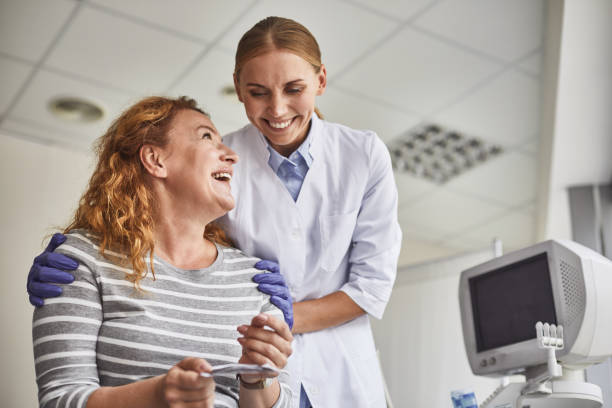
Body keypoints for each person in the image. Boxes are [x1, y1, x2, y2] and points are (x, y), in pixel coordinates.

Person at [28, 16, 402, 407]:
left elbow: (371, 288)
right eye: (258, 92)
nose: (277, 108)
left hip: (334, 367)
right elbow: (168, 224)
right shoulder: (226, 162)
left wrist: (277, 314)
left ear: (320, 81)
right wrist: (77, 256)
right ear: (239, 88)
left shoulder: (363, 154)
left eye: (294, 88)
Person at [31, 96, 293, 408]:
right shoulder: (81, 260)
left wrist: (257, 378)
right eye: (207, 136)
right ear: (156, 159)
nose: (232, 156)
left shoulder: (254, 278)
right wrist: (155, 396)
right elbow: (60, 399)